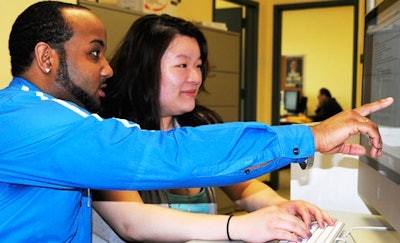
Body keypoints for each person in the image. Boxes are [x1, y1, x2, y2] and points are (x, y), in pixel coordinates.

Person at [0, 1, 392, 242]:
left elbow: (228, 175)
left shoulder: (48, 116)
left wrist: (279, 212)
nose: (107, 68)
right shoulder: (33, 124)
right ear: (47, 57)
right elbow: (158, 160)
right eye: (94, 54)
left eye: (199, 66)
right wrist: (309, 135)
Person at [92, 14, 336, 243]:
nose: (196, 77)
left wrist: (277, 205)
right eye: (182, 65)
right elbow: (133, 223)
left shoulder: (199, 125)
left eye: (198, 66)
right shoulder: (110, 137)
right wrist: (239, 226)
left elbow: (242, 184)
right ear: (144, 69)